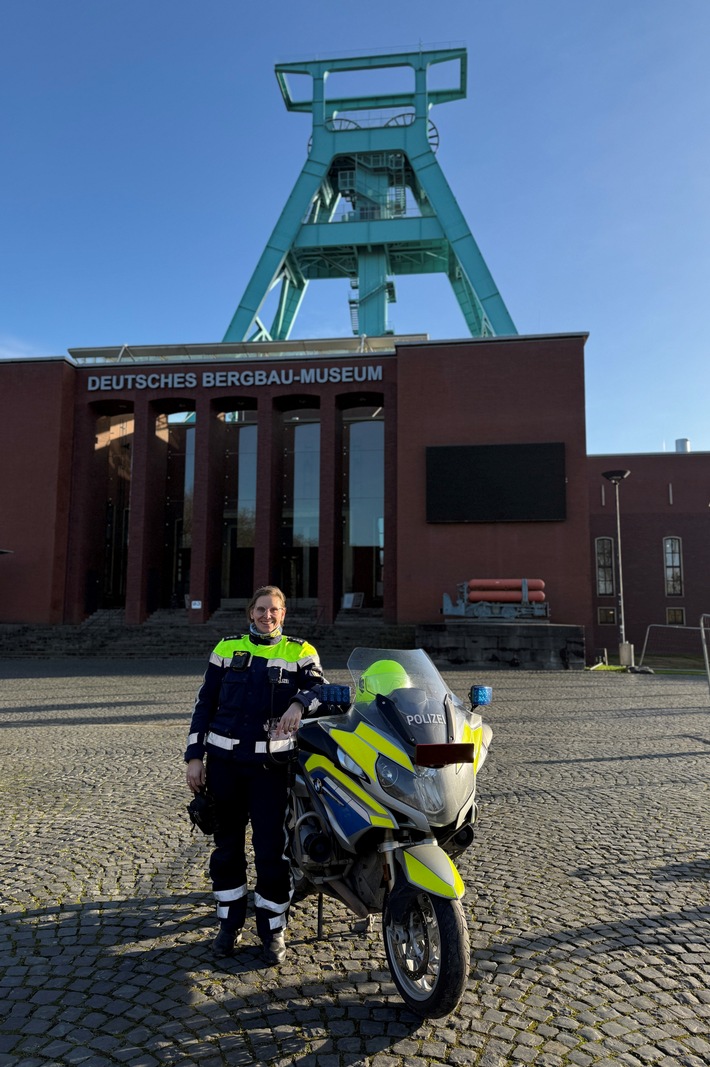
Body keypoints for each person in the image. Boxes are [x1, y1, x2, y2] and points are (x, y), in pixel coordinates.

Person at [184, 585, 326, 964]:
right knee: (227, 849)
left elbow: (321, 691)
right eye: (261, 609)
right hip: (224, 768)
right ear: (250, 612)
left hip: (271, 771)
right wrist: (194, 757)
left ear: (284, 615)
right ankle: (229, 923)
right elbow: (205, 704)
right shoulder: (226, 649)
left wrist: (299, 702)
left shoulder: (300, 651)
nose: (267, 616)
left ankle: (272, 930)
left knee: (271, 853)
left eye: (274, 610)